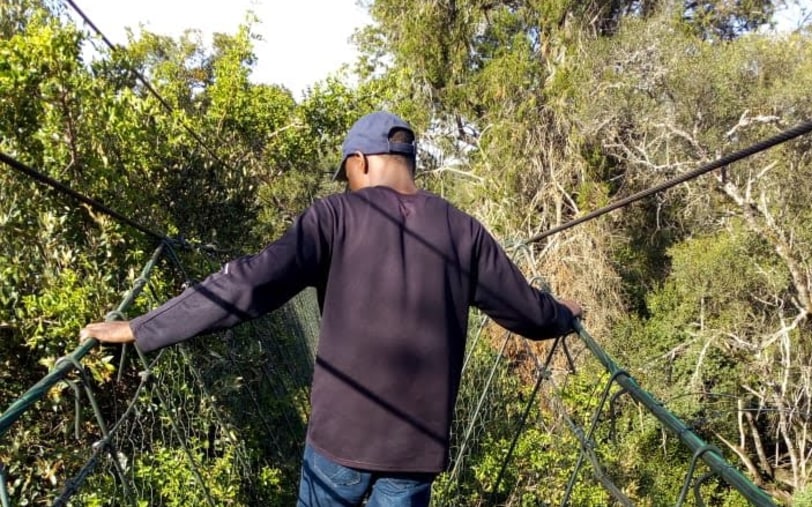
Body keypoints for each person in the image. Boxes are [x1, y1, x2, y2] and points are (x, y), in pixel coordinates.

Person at [80, 111, 582, 507]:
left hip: (339, 441)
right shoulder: (463, 230)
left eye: (346, 173)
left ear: (360, 162)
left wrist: (142, 328)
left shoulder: (335, 216)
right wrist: (564, 314)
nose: (347, 184)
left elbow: (249, 283)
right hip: (416, 452)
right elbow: (529, 314)